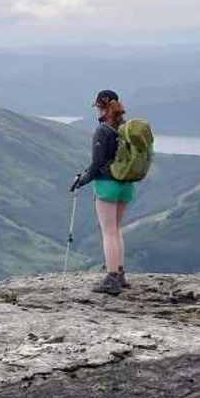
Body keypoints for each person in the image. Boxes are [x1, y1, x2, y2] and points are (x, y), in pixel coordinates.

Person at [70, 89, 134, 296]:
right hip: (126, 184)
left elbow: (97, 163)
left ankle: (111, 278)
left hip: (107, 185)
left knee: (108, 231)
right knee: (116, 229)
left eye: (97, 106)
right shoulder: (126, 127)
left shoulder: (103, 130)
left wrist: (81, 181)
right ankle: (120, 274)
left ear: (101, 106)